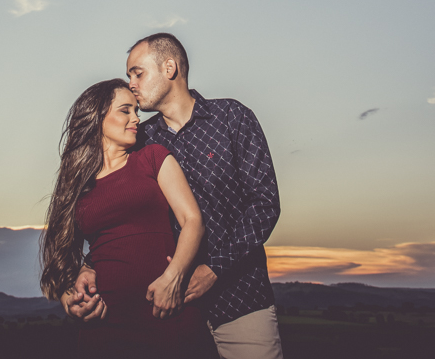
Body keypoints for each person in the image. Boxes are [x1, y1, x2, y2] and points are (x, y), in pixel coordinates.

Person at [66, 34, 284, 359]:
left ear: (170, 68)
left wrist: (212, 270)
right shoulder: (141, 140)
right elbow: (121, 215)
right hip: (166, 309)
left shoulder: (232, 118)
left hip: (239, 299)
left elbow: (264, 205)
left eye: (137, 73)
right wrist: (89, 266)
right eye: (129, 76)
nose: (131, 84)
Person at [41, 78, 213, 357]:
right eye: (125, 110)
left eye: (136, 110)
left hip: (165, 312)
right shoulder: (77, 185)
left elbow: (193, 220)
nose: (136, 118)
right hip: (105, 325)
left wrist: (174, 278)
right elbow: (61, 256)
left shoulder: (152, 157)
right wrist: (69, 299)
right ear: (97, 118)